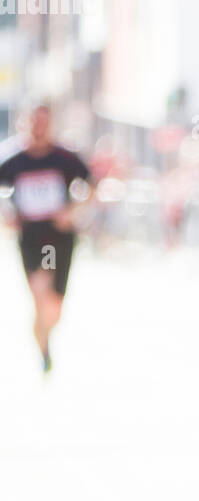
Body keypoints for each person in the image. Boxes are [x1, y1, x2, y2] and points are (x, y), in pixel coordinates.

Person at [0, 103, 93, 373]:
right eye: (33, 123)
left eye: (43, 123)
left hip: (57, 240)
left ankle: (44, 340)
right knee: (40, 294)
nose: (37, 129)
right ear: (23, 124)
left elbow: (92, 185)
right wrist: (6, 214)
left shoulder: (64, 158)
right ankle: (42, 351)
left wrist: (72, 210)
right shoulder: (13, 159)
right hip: (31, 238)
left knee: (53, 305)